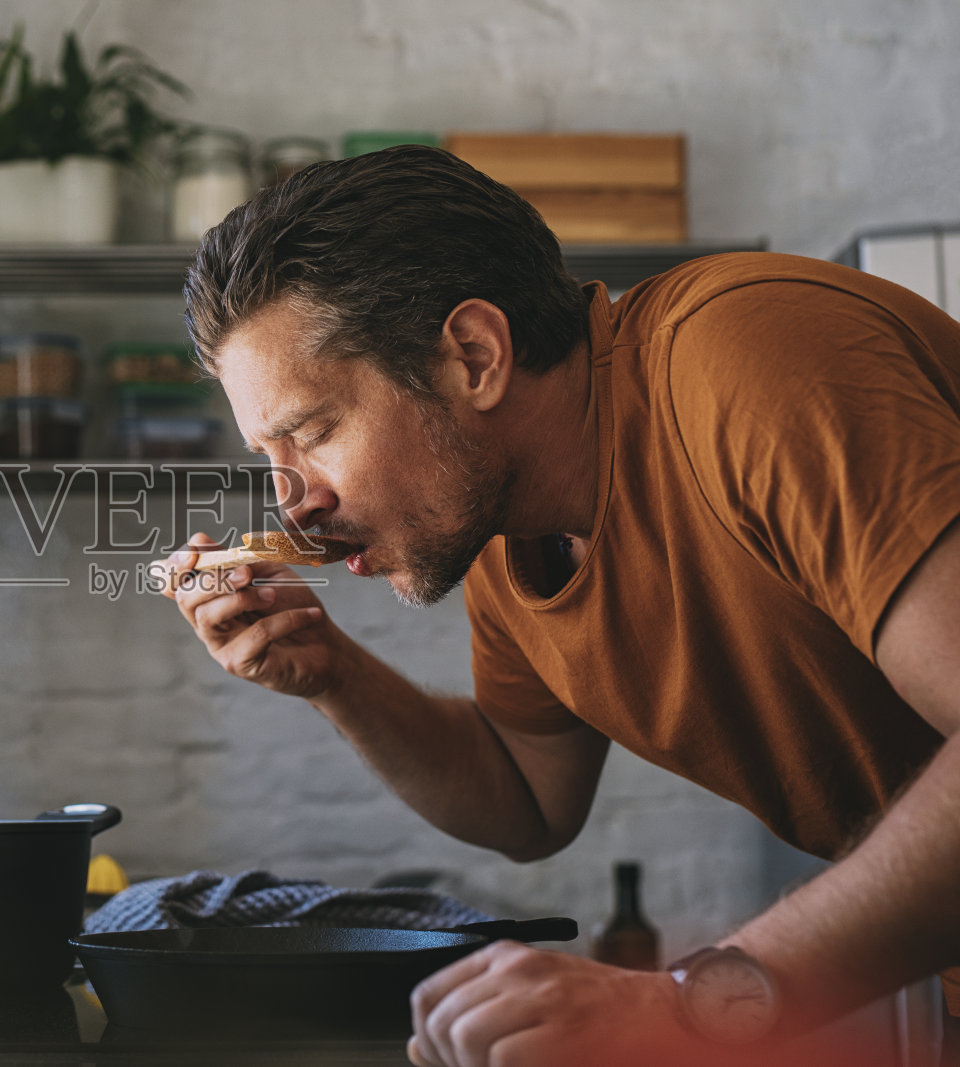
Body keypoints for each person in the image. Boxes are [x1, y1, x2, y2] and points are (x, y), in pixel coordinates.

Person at [161, 145, 960, 1066]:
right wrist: (332, 673)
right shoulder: (510, 529)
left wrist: (690, 1003)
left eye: (312, 432)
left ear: (473, 356)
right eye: (270, 458)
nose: (293, 504)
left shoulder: (748, 363)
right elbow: (527, 798)